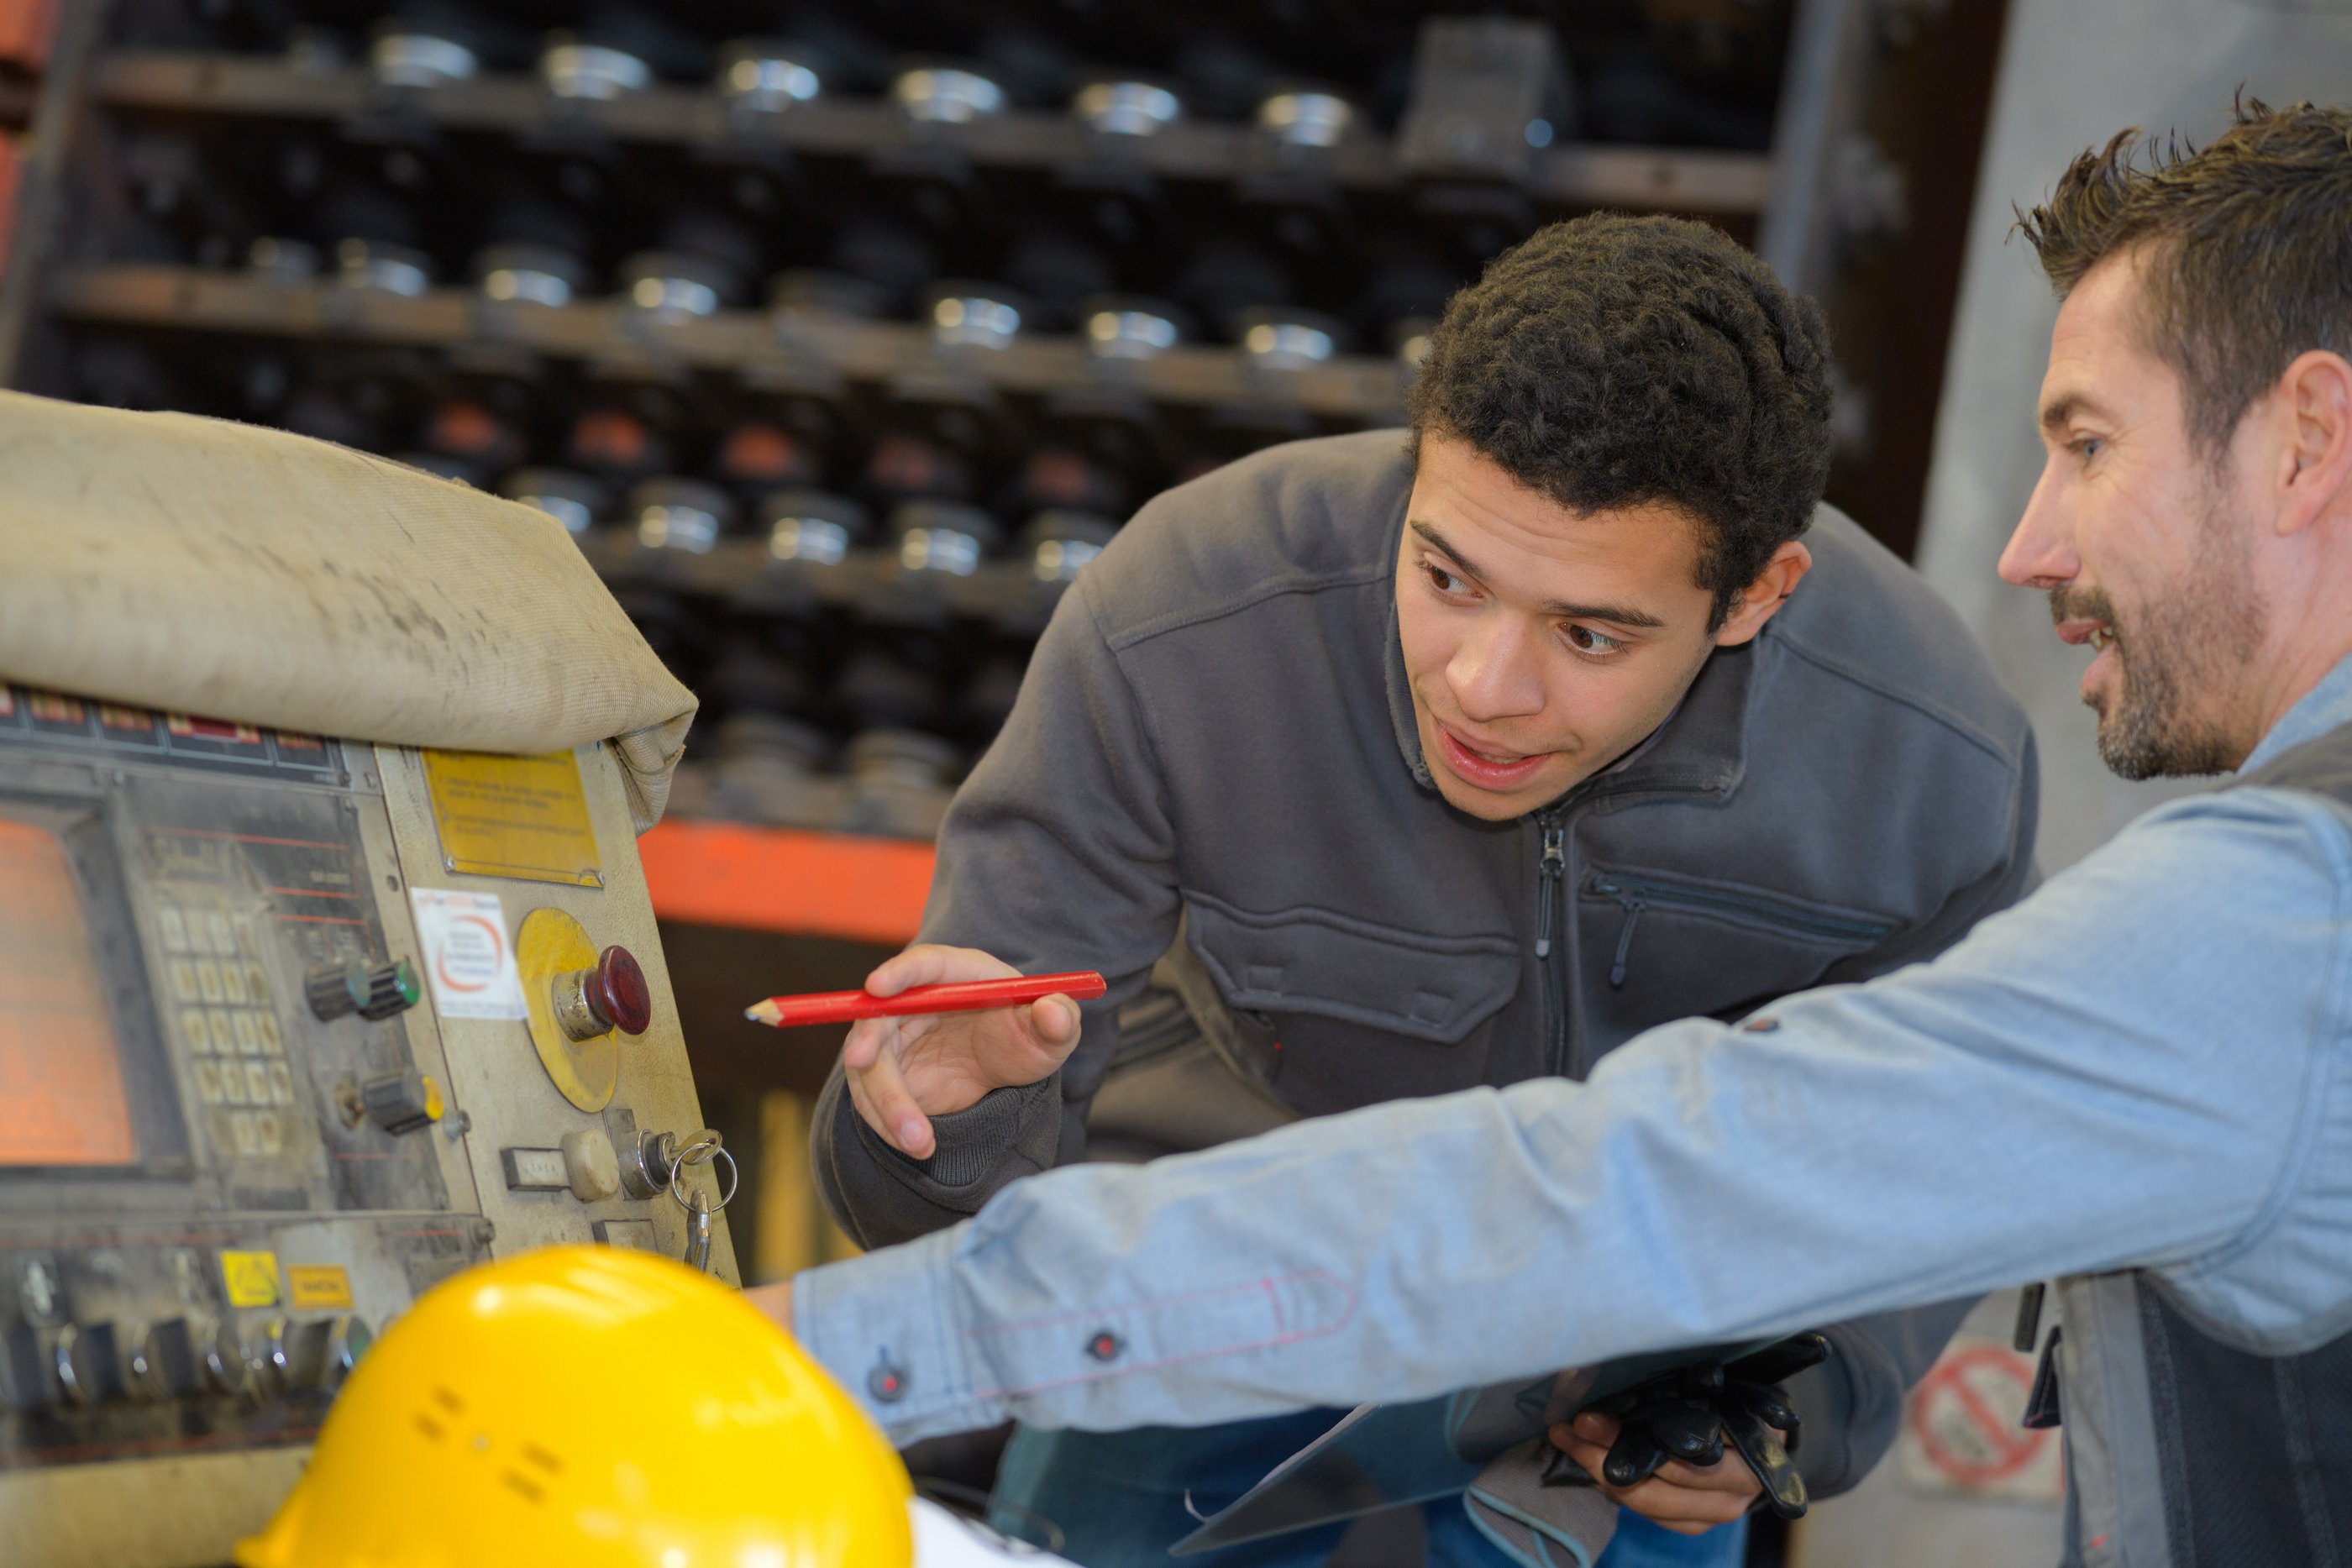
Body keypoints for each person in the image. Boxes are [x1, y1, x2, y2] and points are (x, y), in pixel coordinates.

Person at [751, 97, 2352, 1567]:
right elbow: (948, 1152)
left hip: (1606, 1419)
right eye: (1446, 577)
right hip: (1192, 1340)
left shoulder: (2101, 850)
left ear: (1755, 598)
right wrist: (947, 1131)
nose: (1486, 686)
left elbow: (1756, 1192)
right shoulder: (1187, 617)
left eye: (2088, 444)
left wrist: (1794, 1406)